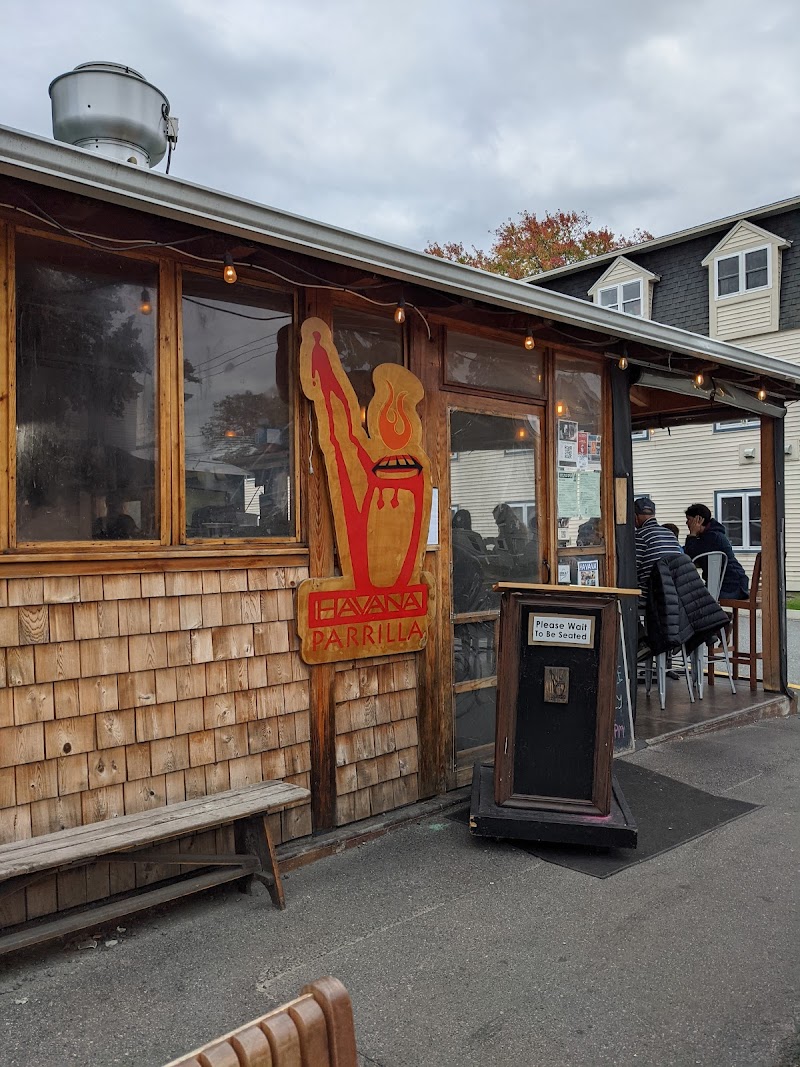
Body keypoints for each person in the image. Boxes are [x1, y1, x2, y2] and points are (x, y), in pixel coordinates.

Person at [684, 503, 749, 599]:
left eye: (688, 519)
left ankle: (721, 615)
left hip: (731, 587)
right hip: (729, 584)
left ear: (698, 520)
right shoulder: (712, 535)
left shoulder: (712, 537)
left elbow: (690, 556)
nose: (686, 523)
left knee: (691, 598)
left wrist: (692, 534)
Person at [634, 497, 683, 594]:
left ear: (635, 517)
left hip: (648, 599)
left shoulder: (639, 536)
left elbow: (631, 569)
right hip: (672, 596)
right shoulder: (670, 534)